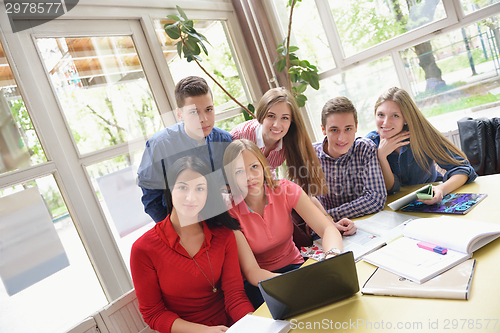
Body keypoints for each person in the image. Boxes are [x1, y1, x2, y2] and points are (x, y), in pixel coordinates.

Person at [131, 156, 254, 333]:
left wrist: (253, 324)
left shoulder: (224, 235)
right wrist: (205, 331)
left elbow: (235, 296)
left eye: (200, 188)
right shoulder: (143, 249)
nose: (191, 197)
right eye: (182, 187)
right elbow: (154, 314)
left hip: (229, 328)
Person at [223, 139, 344, 308]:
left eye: (254, 167)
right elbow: (251, 271)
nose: (249, 177)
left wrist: (332, 257)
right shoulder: (229, 212)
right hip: (261, 283)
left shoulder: (286, 190)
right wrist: (293, 284)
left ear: (263, 166)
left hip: (295, 267)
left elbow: (327, 228)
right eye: (239, 171)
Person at [137, 76, 232, 223]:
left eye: (209, 109)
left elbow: (231, 182)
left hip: (220, 221)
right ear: (180, 114)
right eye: (194, 112)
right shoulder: (159, 146)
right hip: (182, 227)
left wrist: (225, 189)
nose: (204, 119)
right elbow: (151, 200)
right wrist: (178, 232)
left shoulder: (224, 140)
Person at [366, 87, 477, 203]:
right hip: (392, 209)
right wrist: (381, 156)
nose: (385, 122)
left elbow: (463, 169)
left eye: (395, 115)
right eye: (380, 114)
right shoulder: (369, 144)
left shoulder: (422, 135)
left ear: (406, 119)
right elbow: (391, 189)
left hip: (430, 200)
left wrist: (441, 189)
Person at [230, 87, 327, 196]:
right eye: (271, 116)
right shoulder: (240, 136)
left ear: (291, 121)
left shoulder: (290, 140)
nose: (276, 125)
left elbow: (305, 188)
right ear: (262, 116)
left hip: (263, 187)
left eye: (285, 118)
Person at [313, 97, 387, 222]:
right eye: (334, 130)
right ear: (323, 130)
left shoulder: (365, 149)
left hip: (364, 223)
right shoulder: (309, 155)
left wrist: (327, 215)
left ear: (356, 127)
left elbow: (376, 199)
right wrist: (325, 220)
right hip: (325, 229)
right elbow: (302, 202)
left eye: (348, 129)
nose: (342, 138)